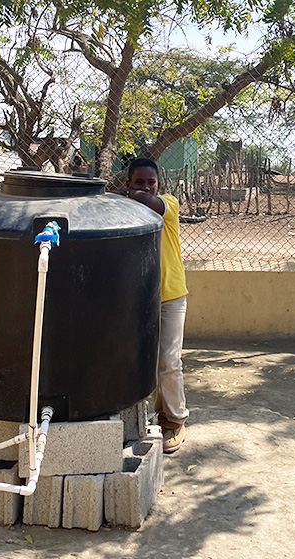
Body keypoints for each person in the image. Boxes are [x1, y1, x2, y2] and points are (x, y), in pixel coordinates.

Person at [120, 158, 189, 454]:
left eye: (151, 182)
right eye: (139, 182)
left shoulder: (168, 204)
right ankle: (143, 415)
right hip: (138, 296)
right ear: (128, 183)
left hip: (170, 294)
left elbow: (151, 203)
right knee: (139, 359)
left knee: (169, 361)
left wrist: (127, 197)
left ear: (159, 185)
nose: (146, 187)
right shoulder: (123, 212)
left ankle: (174, 419)